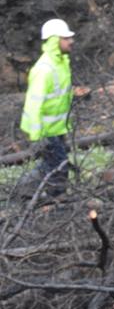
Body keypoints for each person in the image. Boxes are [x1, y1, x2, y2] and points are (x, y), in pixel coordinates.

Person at [19, 18, 75, 198]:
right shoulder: (44, 69)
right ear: (54, 40)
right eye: (66, 38)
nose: (71, 41)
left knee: (52, 163)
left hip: (56, 128)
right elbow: (34, 103)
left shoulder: (61, 64)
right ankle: (57, 201)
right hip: (45, 131)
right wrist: (37, 137)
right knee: (59, 166)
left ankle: (26, 189)